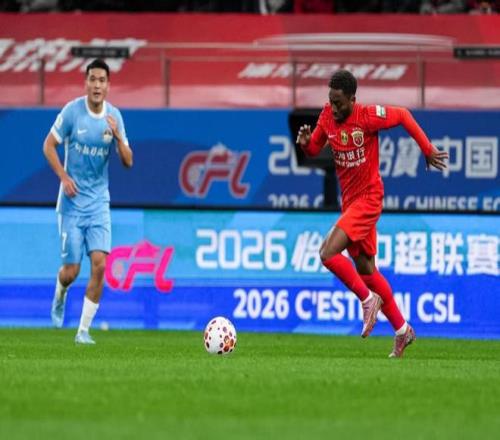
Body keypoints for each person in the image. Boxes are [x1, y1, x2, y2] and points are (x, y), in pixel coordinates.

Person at [296, 70, 448, 358]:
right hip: (350, 202)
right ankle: (403, 330)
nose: (334, 108)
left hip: (368, 198)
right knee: (366, 270)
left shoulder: (367, 116)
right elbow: (315, 148)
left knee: (327, 253)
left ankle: (367, 301)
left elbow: (403, 115)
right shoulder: (327, 116)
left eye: (339, 103)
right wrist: (305, 143)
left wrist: (427, 149)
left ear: (352, 99)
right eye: (331, 101)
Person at [43, 58, 133, 344]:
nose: (96, 85)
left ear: (108, 86)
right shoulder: (72, 112)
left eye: (101, 80)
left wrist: (118, 138)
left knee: (100, 264)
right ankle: (60, 292)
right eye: (92, 79)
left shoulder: (114, 117)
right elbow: (48, 146)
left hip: (98, 204)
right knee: (72, 271)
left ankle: (83, 331)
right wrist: (63, 177)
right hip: (71, 204)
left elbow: (129, 161)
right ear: (86, 83)